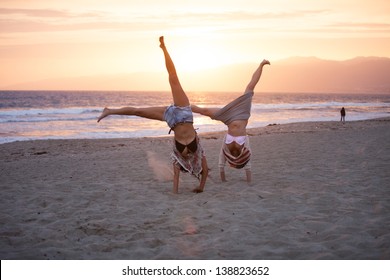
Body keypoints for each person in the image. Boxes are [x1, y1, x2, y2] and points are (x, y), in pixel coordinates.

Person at [97, 36, 208, 194]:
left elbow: (176, 175)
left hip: (172, 119)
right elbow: (205, 171)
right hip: (184, 112)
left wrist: (175, 194)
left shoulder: (178, 156)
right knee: (173, 78)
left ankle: (110, 111)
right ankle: (164, 48)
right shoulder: (198, 151)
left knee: (139, 112)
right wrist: (201, 188)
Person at [192, 59, 270, 183]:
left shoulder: (230, 147)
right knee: (205, 110)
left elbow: (222, 162)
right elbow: (228, 162)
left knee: (205, 111)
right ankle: (182, 105)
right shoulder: (243, 146)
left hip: (231, 118)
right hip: (239, 114)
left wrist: (243, 181)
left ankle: (181, 107)